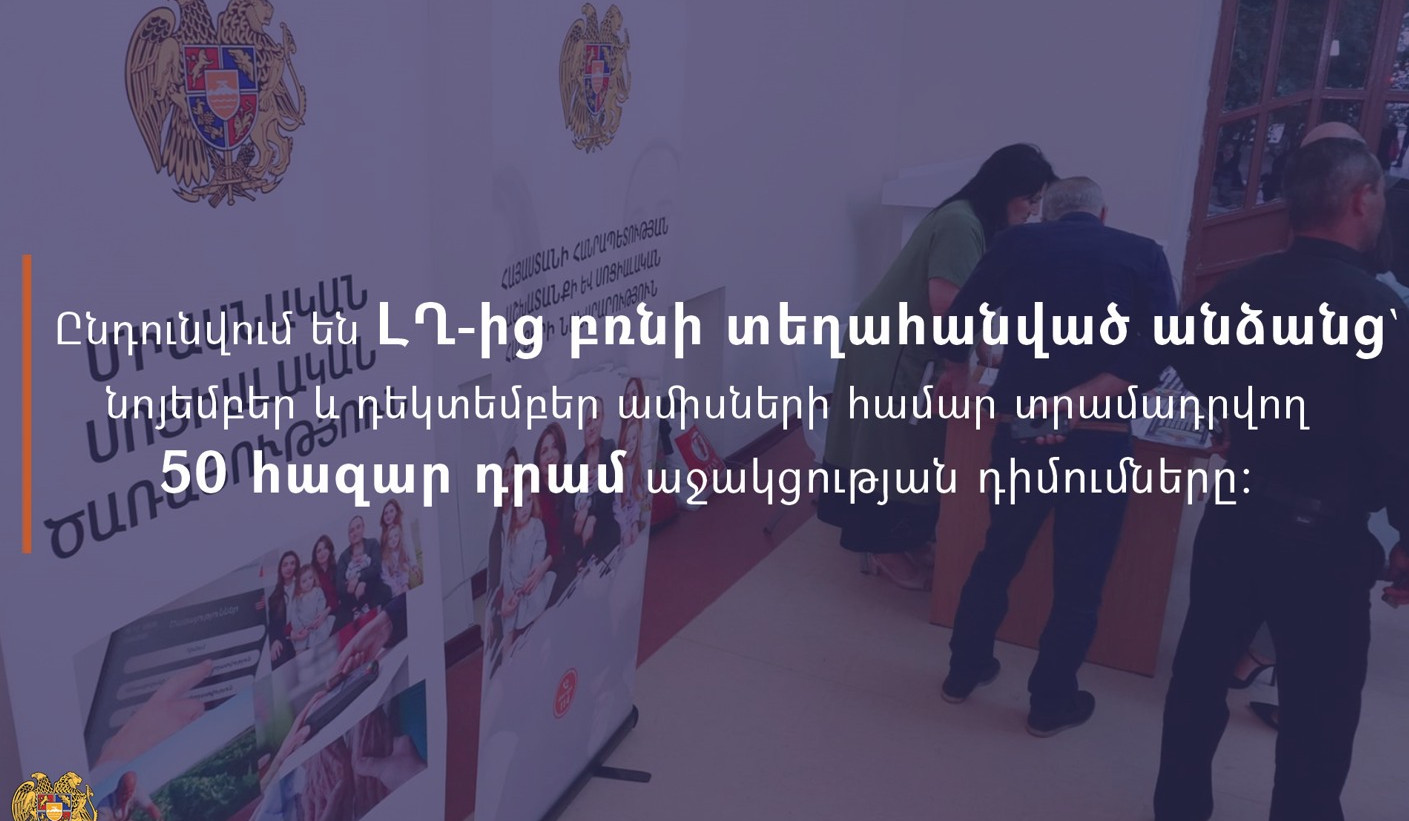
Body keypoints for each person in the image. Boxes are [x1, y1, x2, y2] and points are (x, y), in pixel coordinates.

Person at [1153, 135, 1409, 821]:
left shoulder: (1240, 287)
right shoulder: (1378, 312)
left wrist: (1229, 414)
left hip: (1233, 515)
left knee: (1197, 683)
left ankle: (1177, 808)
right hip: (1324, 539)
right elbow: (1398, 443)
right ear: (1361, 200)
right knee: (1318, 714)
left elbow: (1181, 349)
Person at [937, 177, 1177, 737]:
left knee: (999, 551)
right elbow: (1163, 344)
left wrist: (956, 371)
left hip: (1024, 427)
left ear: (1047, 214)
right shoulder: (1143, 253)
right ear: (1103, 213)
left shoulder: (1017, 244)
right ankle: (1049, 703)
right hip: (1100, 431)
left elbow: (960, 315)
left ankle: (963, 672)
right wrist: (1078, 400)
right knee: (1080, 577)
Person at [819, 144, 1057, 590]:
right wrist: (961, 369)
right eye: (1029, 199)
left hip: (907, 345)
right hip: (893, 348)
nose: (1032, 211)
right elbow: (948, 305)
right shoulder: (960, 224)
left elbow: (966, 298)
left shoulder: (974, 222)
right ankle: (885, 549)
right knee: (893, 452)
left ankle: (907, 538)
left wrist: (985, 353)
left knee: (918, 449)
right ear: (1005, 191)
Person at [571, 396, 622, 566]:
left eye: (596, 418)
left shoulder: (610, 447)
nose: (592, 426)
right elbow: (573, 508)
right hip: (584, 534)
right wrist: (584, 513)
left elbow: (610, 491)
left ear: (603, 419)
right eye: (588, 422)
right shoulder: (577, 464)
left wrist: (590, 512)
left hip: (607, 523)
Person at [338, 515, 389, 618]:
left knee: (384, 591)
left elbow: (376, 567)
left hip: (375, 587)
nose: (355, 533)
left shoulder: (372, 544)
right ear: (348, 535)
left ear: (363, 528)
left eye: (358, 527)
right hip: (353, 597)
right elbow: (340, 584)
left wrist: (359, 578)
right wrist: (352, 586)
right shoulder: (344, 557)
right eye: (351, 531)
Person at [267, 550, 300, 668]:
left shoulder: (303, 586)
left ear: (296, 566)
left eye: (292, 563)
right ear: (280, 569)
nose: (289, 567)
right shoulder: (274, 597)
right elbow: (273, 625)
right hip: (286, 639)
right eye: (285, 565)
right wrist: (274, 641)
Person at [290, 565, 333, 651]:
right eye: (304, 581)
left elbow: (322, 601)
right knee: (299, 648)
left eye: (310, 578)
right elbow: (294, 615)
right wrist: (299, 628)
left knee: (324, 638)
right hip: (304, 629)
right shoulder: (297, 598)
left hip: (318, 623)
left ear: (314, 578)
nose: (308, 582)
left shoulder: (317, 591)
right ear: (299, 584)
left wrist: (319, 614)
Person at [96, 772, 161, 821]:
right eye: (124, 793)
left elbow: (151, 808)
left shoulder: (136, 792)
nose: (128, 796)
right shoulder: (103, 809)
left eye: (131, 792)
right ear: (118, 788)